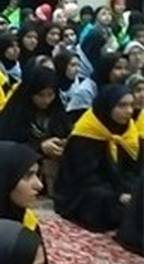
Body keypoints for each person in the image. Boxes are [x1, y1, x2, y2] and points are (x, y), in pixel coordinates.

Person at [54, 84, 140, 232]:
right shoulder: (87, 131)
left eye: (131, 105)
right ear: (107, 106)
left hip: (117, 185)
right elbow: (84, 175)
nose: (129, 111)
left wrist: (130, 189)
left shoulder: (128, 129)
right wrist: (118, 195)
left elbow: (132, 168)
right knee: (102, 199)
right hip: (84, 188)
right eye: (122, 106)